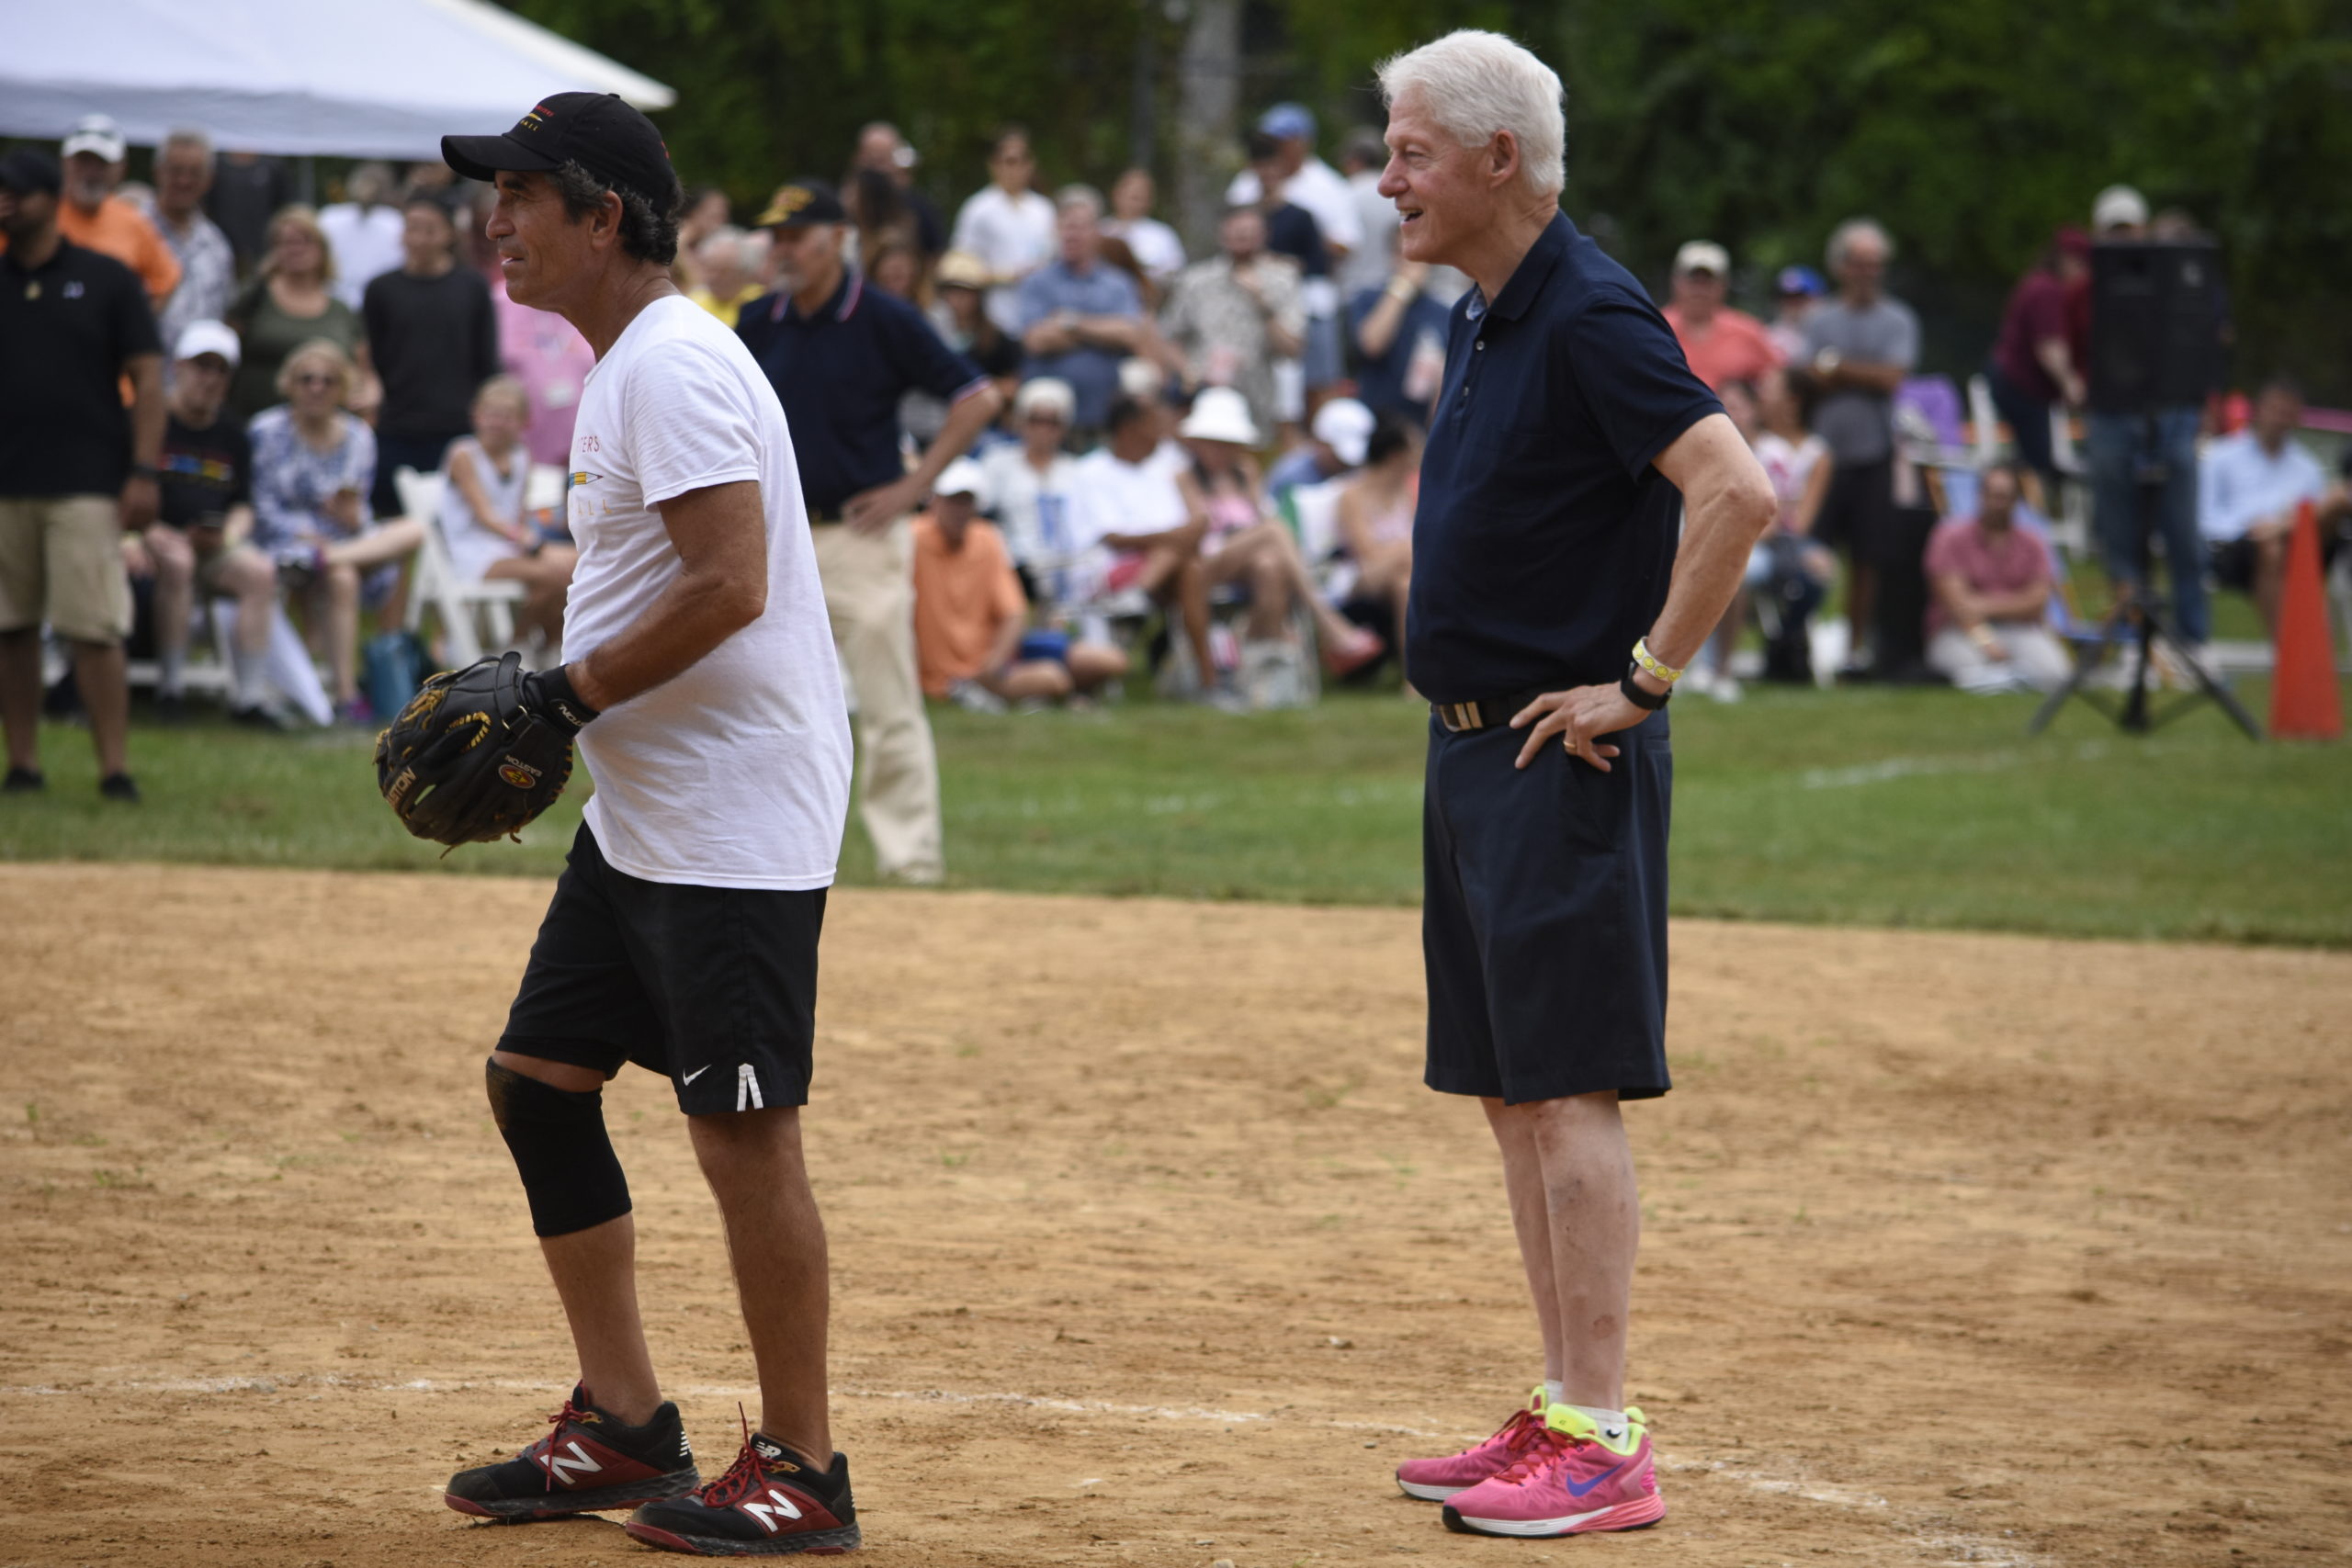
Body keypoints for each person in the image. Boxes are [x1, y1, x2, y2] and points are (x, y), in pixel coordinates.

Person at [436, 90, 858, 1557]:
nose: (496, 219)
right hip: (646, 812)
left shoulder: (673, 363)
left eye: (521, 193)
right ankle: (625, 1420)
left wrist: (560, 691)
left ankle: (804, 1463)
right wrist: (577, 691)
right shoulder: (632, 366)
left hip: (731, 820)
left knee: (742, 1132)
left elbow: (732, 579)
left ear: (602, 214)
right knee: (539, 1081)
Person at [1374, 31, 1774, 1540]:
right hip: (1475, 746)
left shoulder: (1592, 308)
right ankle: (1557, 1406)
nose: (1389, 176)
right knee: (1508, 1089)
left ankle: (1602, 1436)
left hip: (1562, 749)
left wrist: (1647, 677)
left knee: (1566, 1087)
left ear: (1496, 160)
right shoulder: (1492, 308)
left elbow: (1738, 491)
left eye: (1411, 150)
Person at [737, 179, 1004, 886]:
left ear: (837, 239)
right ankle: (759, 862)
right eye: (777, 236)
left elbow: (978, 397)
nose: (784, 249)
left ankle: (910, 865)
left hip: (860, 535)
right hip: (772, 538)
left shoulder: (883, 317)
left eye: (797, 235)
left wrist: (914, 489)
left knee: (889, 705)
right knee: (756, 703)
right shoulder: (759, 319)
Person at [0, 149, 163, 802]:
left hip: (87, 480)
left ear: (49, 199)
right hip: (6, 478)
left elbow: (149, 379)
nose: (5, 203)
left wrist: (144, 470)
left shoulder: (107, 278)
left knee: (93, 628)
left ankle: (114, 768)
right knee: (9, 627)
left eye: (16, 193)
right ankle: (23, 764)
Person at [247, 338, 424, 722]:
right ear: (289, 383)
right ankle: (346, 696)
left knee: (413, 530)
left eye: (328, 381)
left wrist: (352, 519)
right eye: (307, 379)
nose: (317, 388)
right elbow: (261, 506)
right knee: (342, 578)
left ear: (341, 388)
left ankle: (328, 559)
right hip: (284, 543)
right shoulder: (266, 431)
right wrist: (308, 532)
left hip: (342, 543)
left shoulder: (359, 436)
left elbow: (358, 510)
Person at [1181, 388, 1382, 701]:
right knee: (1274, 531)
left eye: (1227, 444)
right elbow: (1199, 530)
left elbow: (1259, 512)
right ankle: (1326, 620)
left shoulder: (1245, 472)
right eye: (1214, 443)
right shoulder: (1185, 477)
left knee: (1270, 567)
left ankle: (1258, 675)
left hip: (1248, 560)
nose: (1221, 451)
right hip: (1206, 563)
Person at [134, 321, 285, 726]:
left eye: (221, 371)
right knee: (179, 561)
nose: (211, 379)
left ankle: (249, 699)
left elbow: (243, 503)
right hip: (152, 536)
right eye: (202, 367)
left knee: (259, 572)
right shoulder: (147, 420)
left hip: (213, 542)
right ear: (179, 366)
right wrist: (147, 531)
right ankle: (170, 690)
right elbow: (120, 491)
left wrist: (229, 536)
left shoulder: (233, 433)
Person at [1801, 217, 1917, 674]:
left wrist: (1836, 368)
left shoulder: (1898, 319)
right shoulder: (1819, 318)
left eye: (1876, 264)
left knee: (1868, 558)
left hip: (1874, 454)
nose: (1868, 272)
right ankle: (1804, 643)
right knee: (1811, 550)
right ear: (1841, 266)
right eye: (1859, 263)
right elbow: (1808, 377)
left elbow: (1891, 378)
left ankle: (1854, 648)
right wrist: (1854, 374)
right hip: (1824, 458)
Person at [911, 457, 1122, 707]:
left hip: (1000, 658)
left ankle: (1058, 695)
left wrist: (994, 664)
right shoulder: (913, 539)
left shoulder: (987, 537)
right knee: (1053, 680)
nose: (960, 509)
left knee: (1112, 660)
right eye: (953, 500)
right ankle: (1054, 696)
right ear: (934, 500)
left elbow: (1014, 612)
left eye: (966, 501)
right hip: (951, 675)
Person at [1064, 394, 1216, 691]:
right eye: (1151, 424)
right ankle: (1208, 680)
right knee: (1181, 556)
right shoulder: (1090, 473)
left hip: (1161, 572)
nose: (1160, 432)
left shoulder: (1167, 465)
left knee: (1188, 566)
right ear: (1128, 429)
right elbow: (1113, 538)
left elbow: (1198, 522)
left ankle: (1139, 598)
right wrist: (1174, 537)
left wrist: (1179, 536)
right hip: (1110, 570)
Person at [362, 195, 500, 521]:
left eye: (429, 230)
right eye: (411, 228)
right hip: (396, 428)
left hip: (457, 431)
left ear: (450, 234)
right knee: (391, 520)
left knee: (452, 522)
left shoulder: (472, 287)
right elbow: (372, 358)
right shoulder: (381, 289)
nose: (418, 239)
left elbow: (486, 361)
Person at [2199, 377, 2346, 638]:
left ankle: (2279, 528)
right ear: (2259, 409)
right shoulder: (2220, 456)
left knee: (2337, 501)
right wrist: (2249, 527)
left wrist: (2280, 526)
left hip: (2301, 543)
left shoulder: (2307, 467)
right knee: (2272, 545)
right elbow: (2204, 518)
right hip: (2237, 547)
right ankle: (2289, 646)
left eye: (2288, 413)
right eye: (2275, 410)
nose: (2280, 419)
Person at [438, 375, 576, 643]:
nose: (497, 422)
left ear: (524, 421)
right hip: (474, 556)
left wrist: (533, 542)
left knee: (578, 564)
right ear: (476, 415)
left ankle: (544, 644)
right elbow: (486, 516)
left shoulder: (521, 456)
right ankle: (522, 644)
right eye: (491, 414)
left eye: (507, 415)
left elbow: (519, 514)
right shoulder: (463, 454)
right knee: (558, 574)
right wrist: (533, 544)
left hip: (510, 549)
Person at [1159, 206, 1305, 441]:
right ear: (1222, 234)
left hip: (1256, 399)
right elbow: (1168, 336)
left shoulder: (1282, 280)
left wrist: (1263, 304)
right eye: (1236, 232)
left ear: (1264, 235)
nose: (1242, 239)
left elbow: (1293, 349)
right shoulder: (1196, 280)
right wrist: (1187, 371)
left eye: (1249, 233)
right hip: (1201, 396)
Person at [1923, 461, 2070, 692]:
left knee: (2055, 673)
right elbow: (1956, 604)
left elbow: (2037, 602)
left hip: (2021, 629)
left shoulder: (2033, 541)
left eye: (2004, 496)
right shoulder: (1950, 536)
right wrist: (1986, 640)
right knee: (1970, 671)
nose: (1996, 503)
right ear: (1979, 495)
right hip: (1963, 630)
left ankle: (2015, 676)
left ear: (2016, 500)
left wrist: (1981, 604)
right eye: (1991, 494)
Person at [1014, 187, 1148, 439]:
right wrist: (1103, 333)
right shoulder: (1037, 282)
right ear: (1056, 230)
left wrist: (1071, 323)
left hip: (1105, 419)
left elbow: (1131, 334)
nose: (1072, 235)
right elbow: (1036, 340)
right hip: (1047, 427)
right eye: (1067, 226)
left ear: (1097, 231)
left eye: (1081, 227)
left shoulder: (1118, 284)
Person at [225, 205, 366, 423]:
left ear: (322, 249)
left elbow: (362, 369)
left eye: (305, 240)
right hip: (253, 420)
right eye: (286, 242)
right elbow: (227, 353)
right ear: (274, 250)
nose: (296, 248)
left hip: (325, 428)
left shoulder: (341, 309)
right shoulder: (254, 298)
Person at [1745, 367, 1838, 682]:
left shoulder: (1817, 452)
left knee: (1819, 569)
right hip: (1753, 537)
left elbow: (1801, 520)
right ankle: (1787, 648)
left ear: (1793, 401)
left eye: (1771, 387)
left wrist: (1778, 513)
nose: (1762, 394)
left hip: (1789, 540)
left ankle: (1783, 642)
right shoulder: (1753, 444)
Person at [1985, 228, 2091, 502]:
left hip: (2019, 385)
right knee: (2039, 465)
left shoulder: (2041, 284)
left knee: (2034, 457)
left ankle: (2029, 513)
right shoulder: (2048, 290)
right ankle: (2034, 517)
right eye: (2080, 262)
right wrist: (2072, 386)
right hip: (2019, 386)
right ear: (2065, 259)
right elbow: (2049, 348)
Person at [49, 115, 182, 313]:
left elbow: (167, 281)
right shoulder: (40, 215)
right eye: (83, 160)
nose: (92, 172)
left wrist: (132, 329)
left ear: (121, 169)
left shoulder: (133, 222)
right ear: (65, 162)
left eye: (102, 163)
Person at [951, 128, 1057, 335]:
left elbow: (1054, 255)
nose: (1015, 169)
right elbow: (961, 266)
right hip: (994, 313)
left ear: (1031, 165)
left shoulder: (1044, 209)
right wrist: (1005, 275)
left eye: (1021, 161)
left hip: (1039, 315)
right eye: (1009, 161)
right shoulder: (978, 209)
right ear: (994, 164)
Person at [1332, 413, 1420, 660]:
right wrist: (1407, 549)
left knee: (1405, 585)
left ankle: (1412, 676)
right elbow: (1367, 554)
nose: (1419, 454)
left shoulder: (1407, 491)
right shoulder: (1352, 495)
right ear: (1395, 455)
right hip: (1362, 578)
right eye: (1414, 449)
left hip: (1402, 574)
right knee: (1417, 557)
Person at [150, 130, 239, 366]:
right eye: (176, 171)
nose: (184, 181)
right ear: (158, 172)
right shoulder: (134, 230)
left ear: (209, 179)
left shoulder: (217, 245)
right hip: (141, 380)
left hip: (195, 387)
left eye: (194, 173)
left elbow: (223, 316)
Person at [976, 377, 1077, 571]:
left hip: (1069, 565)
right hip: (1014, 567)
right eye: (1036, 420)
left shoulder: (1075, 470)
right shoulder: (998, 462)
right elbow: (977, 511)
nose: (1043, 429)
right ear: (1021, 421)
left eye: (1052, 422)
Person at [1350, 253, 1455, 428]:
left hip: (1418, 428)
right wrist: (1401, 288)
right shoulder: (1368, 298)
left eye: (1419, 257)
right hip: (1372, 422)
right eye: (1405, 255)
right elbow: (1372, 345)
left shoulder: (1444, 312)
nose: (1412, 264)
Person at [1660, 240, 1781, 391]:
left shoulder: (1747, 330)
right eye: (1693, 280)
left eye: (1707, 281)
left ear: (1723, 285)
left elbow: (1777, 374)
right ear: (1676, 281)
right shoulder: (1656, 327)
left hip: (1730, 413)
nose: (1699, 289)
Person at [847, 121, 944, 257]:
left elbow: (935, 253)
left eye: (881, 159)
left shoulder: (919, 208)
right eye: (871, 159)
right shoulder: (844, 205)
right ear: (859, 158)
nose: (876, 171)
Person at [318, 163, 406, 310]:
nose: (367, 190)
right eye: (364, 183)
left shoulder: (394, 222)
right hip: (334, 301)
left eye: (373, 184)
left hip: (381, 303)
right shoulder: (330, 218)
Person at [205, 149, 295, 277]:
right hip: (223, 256)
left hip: (263, 256)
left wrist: (276, 253)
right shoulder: (217, 167)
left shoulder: (273, 167)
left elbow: (286, 212)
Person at [1337, 126, 1401, 302]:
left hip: (1352, 288)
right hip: (1392, 288)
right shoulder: (1397, 193)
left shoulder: (1345, 192)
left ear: (1355, 160)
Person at [1267, 395, 1373, 501]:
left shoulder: (1362, 472)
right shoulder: (1290, 477)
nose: (1343, 466)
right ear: (1320, 442)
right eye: (1337, 458)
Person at [1102, 169, 1184, 288]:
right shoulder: (1101, 230)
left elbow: (1175, 271)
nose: (1136, 204)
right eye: (1133, 197)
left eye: (1142, 198)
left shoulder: (1162, 234)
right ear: (1116, 194)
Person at [684, 226, 768, 329]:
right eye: (710, 269)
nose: (713, 277)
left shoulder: (760, 302)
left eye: (723, 271)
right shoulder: (693, 302)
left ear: (742, 273)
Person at [1765, 265, 1824, 362]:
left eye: (1799, 297)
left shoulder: (1830, 330)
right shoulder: (1770, 337)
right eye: (1787, 297)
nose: (1792, 303)